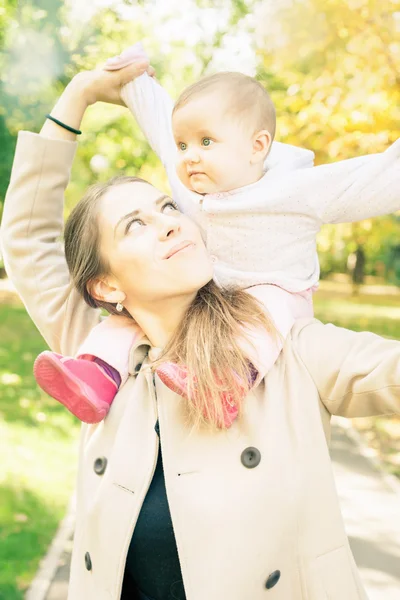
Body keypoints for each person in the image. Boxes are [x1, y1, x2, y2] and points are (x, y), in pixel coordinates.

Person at [2, 55, 400, 600]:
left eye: (167, 206)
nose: (167, 222)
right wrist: (78, 96)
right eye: (135, 225)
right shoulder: (98, 358)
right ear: (107, 287)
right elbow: (27, 242)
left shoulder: (282, 346)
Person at [32, 42, 400, 426]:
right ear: (104, 287)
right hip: (210, 300)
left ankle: (227, 382)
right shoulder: (193, 179)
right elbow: (160, 125)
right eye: (183, 145)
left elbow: (375, 180)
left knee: (263, 317)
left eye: (206, 142)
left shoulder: (299, 190)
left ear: (257, 147)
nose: (189, 155)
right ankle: (96, 373)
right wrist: (132, 80)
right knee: (122, 323)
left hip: (275, 289)